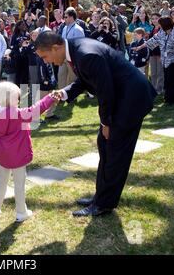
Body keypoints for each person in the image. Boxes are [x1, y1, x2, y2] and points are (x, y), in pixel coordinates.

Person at [35, 32, 157, 216]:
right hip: (121, 97)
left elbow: (105, 91)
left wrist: (106, 123)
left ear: (55, 48)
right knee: (105, 146)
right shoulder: (75, 50)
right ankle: (100, 197)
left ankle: (104, 204)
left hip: (131, 99)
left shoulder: (86, 54)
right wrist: (65, 92)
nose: (46, 61)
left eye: (45, 56)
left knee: (116, 153)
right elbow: (86, 79)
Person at [0, 81, 60, 222]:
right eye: (16, 97)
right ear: (8, 99)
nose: (19, 99)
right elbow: (36, 109)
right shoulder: (17, 114)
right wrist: (49, 98)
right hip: (18, 154)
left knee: (1, 180)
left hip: (3, 154)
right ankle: (21, 212)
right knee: (19, 185)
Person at [133, 17, 174, 105]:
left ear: (165, 25)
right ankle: (167, 98)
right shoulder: (161, 32)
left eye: (160, 24)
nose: (159, 26)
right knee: (167, 81)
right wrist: (140, 47)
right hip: (166, 61)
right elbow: (152, 40)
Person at [58, 7, 84, 90]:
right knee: (61, 75)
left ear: (71, 17)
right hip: (63, 56)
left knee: (72, 77)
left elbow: (80, 45)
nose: (64, 19)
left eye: (65, 17)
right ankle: (60, 95)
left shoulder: (78, 29)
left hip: (72, 57)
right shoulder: (65, 28)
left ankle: (71, 96)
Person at [148, 13, 164, 94]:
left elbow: (163, 43)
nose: (154, 20)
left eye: (156, 18)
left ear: (160, 19)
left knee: (160, 72)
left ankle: (159, 89)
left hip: (160, 54)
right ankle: (153, 88)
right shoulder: (153, 29)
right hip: (152, 54)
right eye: (153, 18)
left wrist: (162, 54)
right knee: (153, 73)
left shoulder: (163, 29)